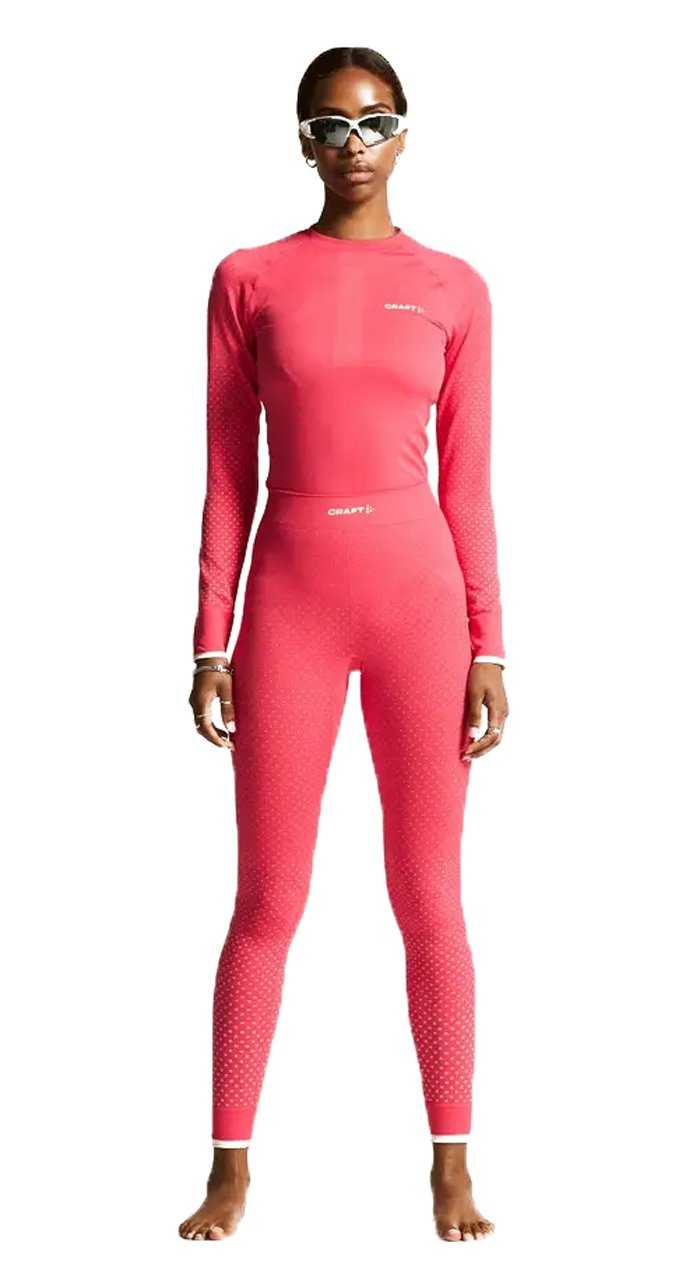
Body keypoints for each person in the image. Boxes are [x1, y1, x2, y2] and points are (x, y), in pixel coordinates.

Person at [179, 45, 509, 1244]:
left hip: (420, 606)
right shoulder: (248, 279)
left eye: (374, 121)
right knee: (268, 895)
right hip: (290, 608)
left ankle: (450, 1162)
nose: (352, 143)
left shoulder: (454, 287)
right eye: (329, 123)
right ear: (302, 141)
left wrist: (490, 644)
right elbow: (228, 473)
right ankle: (229, 1164)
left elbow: (467, 482)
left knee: (429, 897)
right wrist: (209, 638)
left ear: (404, 134)